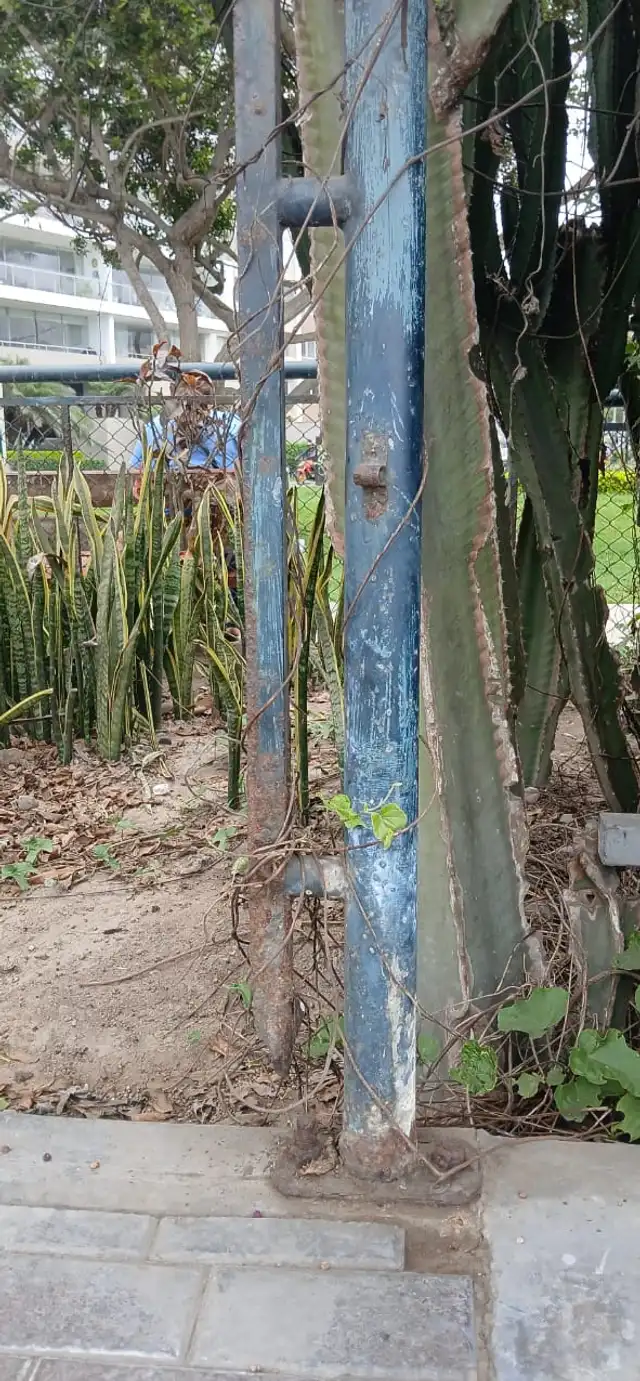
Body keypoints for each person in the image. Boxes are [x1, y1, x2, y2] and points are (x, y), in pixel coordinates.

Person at [130, 409, 240, 475]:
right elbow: (136, 473)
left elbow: (135, 471)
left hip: (223, 499)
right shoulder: (154, 427)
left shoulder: (230, 424)